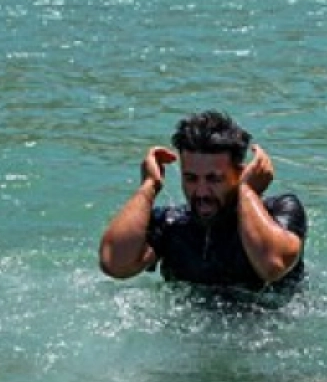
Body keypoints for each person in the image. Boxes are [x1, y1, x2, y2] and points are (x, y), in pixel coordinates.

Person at [99, 110, 306, 293]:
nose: (201, 192)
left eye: (214, 179)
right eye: (190, 178)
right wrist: (149, 186)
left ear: (241, 173)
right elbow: (113, 263)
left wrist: (247, 190)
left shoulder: (280, 210)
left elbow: (273, 265)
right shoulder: (172, 226)